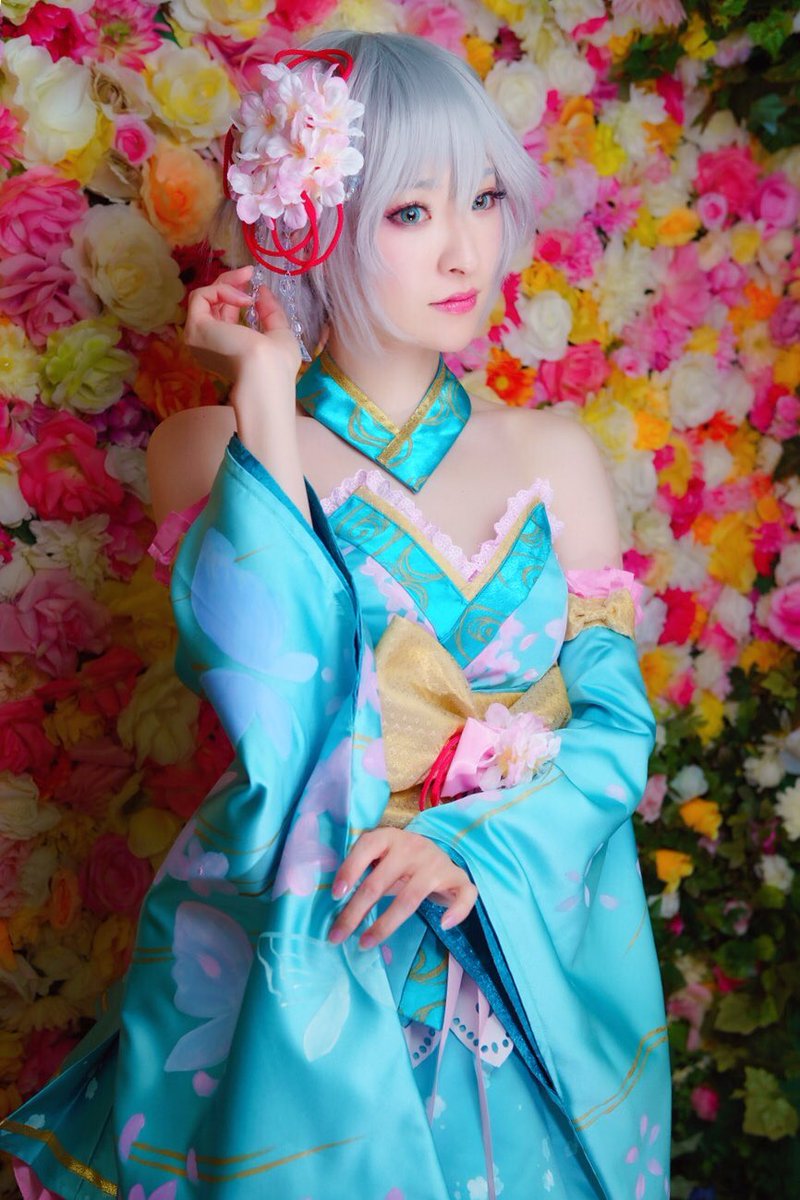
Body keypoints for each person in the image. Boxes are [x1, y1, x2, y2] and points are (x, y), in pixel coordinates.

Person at [0, 30, 671, 1200]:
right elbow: (280, 706)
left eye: (481, 199)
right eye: (410, 212)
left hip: (516, 947)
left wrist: (466, 845)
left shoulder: (552, 454)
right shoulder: (209, 448)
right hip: (306, 954)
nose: (465, 249)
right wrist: (263, 392)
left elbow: (613, 729)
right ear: (309, 222)